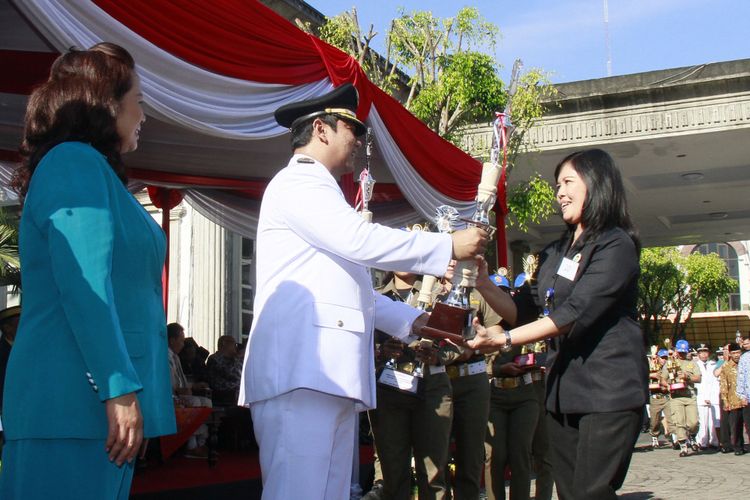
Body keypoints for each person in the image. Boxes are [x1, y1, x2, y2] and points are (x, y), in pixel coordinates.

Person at [238, 83, 488, 500]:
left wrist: (417, 321)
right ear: (321, 129)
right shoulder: (299, 182)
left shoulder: (319, 191)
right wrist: (446, 245)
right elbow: (359, 240)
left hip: (323, 375)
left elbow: (354, 292)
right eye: (351, 129)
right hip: (303, 373)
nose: (358, 141)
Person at [0, 43, 175, 499]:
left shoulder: (87, 168)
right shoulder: (75, 161)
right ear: (108, 103)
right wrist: (116, 387)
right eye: (139, 101)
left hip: (85, 408)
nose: (142, 115)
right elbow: (84, 287)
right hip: (73, 402)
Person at [467, 149, 648, 500]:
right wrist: (483, 282)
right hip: (563, 393)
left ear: (597, 184)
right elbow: (524, 308)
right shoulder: (554, 252)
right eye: (557, 185)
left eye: (568, 182)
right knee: (568, 493)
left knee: (591, 493)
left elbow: (574, 312)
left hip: (608, 390)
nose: (559, 193)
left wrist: (504, 340)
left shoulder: (616, 244)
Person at [662, 340, 700, 457]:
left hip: (690, 395)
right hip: (676, 397)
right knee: (679, 422)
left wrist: (687, 376)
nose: (682, 354)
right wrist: (667, 385)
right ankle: (683, 446)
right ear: (676, 351)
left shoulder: (692, 363)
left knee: (693, 422)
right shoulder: (670, 363)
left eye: (684, 352)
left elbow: (698, 378)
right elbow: (662, 378)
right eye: (680, 352)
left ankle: (692, 435)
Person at [719, 343, 745, 455]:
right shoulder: (726, 367)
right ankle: (738, 447)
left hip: (747, 399)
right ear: (729, 354)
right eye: (733, 353)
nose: (736, 355)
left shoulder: (746, 364)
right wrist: (725, 400)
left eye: (738, 352)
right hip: (734, 400)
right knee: (736, 425)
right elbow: (724, 385)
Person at [694, 343, 720, 448]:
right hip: (700, 396)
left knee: (713, 421)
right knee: (703, 421)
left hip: (712, 396)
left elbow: (715, 382)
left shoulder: (713, 364)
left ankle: (714, 441)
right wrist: (704, 397)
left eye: (705, 352)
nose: (704, 355)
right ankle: (702, 442)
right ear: (698, 354)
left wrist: (712, 396)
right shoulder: (695, 364)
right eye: (701, 352)